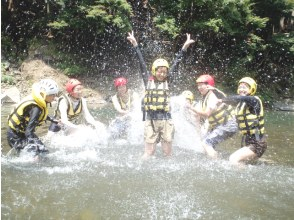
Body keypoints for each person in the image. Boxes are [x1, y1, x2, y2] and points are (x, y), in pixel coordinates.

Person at [127, 31, 195, 159]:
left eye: (164, 72)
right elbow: (141, 62)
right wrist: (135, 45)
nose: (162, 74)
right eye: (160, 71)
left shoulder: (168, 81)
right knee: (148, 152)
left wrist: (184, 48)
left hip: (165, 120)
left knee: (167, 153)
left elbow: (176, 63)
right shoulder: (148, 80)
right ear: (154, 71)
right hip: (150, 120)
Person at [220, 77, 267, 165]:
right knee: (245, 164)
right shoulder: (240, 104)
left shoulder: (254, 100)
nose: (241, 89)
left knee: (233, 159)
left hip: (257, 142)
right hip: (249, 141)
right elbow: (233, 100)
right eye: (240, 87)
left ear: (252, 89)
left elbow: (237, 98)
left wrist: (222, 100)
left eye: (244, 87)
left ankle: (240, 178)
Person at [7, 79, 59, 157]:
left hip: (22, 133)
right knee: (35, 156)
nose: (54, 97)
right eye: (52, 95)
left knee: (44, 153)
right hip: (16, 136)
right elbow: (29, 132)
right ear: (43, 94)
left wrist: (52, 119)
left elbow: (38, 116)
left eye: (55, 94)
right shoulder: (36, 108)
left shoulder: (37, 102)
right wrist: (35, 147)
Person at [189, 74, 238, 158]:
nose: (199, 87)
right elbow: (199, 114)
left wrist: (191, 108)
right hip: (220, 125)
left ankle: (216, 163)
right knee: (203, 143)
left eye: (202, 85)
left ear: (208, 85)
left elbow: (206, 114)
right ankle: (212, 159)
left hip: (228, 125)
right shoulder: (204, 97)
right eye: (198, 85)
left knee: (206, 143)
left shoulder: (212, 96)